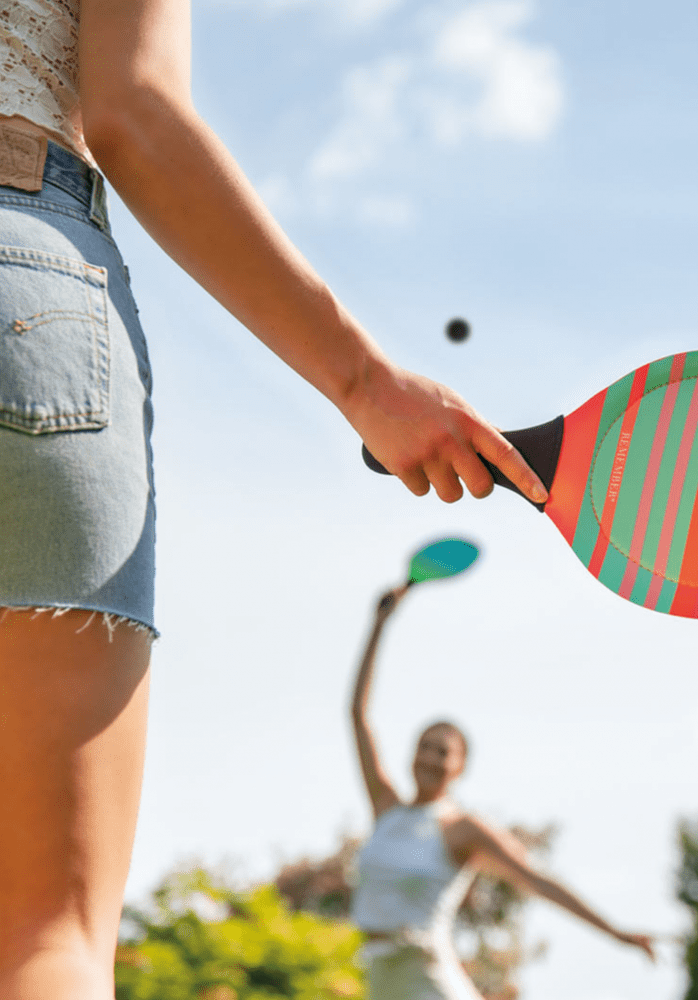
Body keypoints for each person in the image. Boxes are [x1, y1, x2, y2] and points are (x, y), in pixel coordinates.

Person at [0, 2, 549, 997]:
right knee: (45, 934)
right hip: (28, 268)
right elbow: (135, 111)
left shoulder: (434, 819)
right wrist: (362, 383)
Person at [350, 586, 655, 999]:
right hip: (379, 978)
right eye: (425, 746)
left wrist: (614, 933)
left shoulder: (462, 829)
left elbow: (538, 881)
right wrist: (379, 626)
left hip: (425, 976)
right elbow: (358, 713)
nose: (431, 758)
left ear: (460, 767)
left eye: (444, 751)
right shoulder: (386, 808)